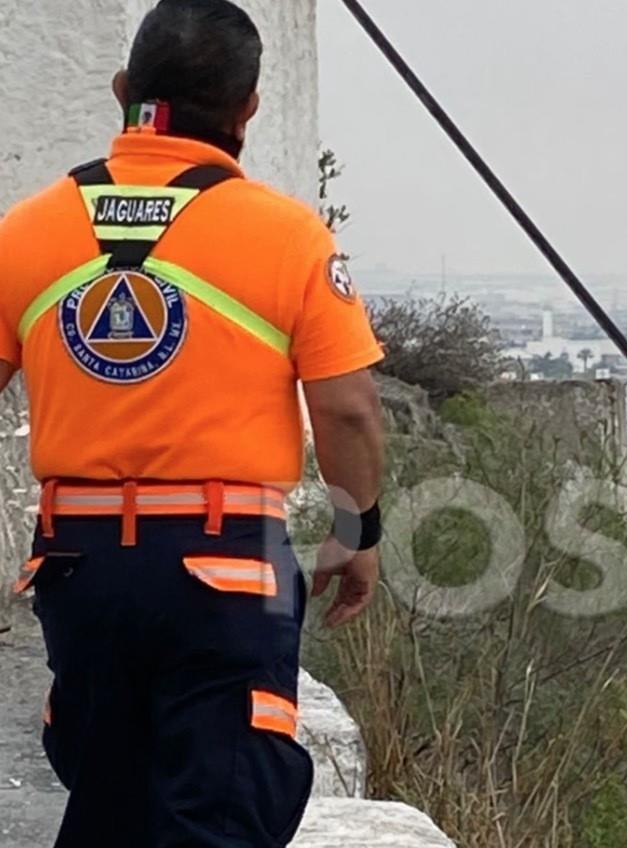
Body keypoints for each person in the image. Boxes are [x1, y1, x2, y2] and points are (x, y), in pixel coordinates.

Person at [0, 1, 386, 845]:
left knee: (107, 800)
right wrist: (358, 533)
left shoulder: (24, 234)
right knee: (220, 808)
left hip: (79, 569)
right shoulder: (285, 236)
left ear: (121, 91)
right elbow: (349, 408)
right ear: (248, 110)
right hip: (224, 572)